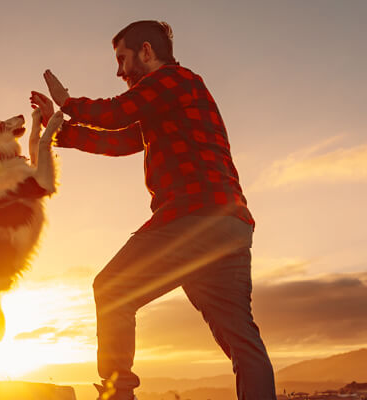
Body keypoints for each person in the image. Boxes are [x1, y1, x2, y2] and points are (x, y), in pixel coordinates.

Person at [30, 20, 277, 400]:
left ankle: (118, 393)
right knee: (241, 339)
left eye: (122, 58)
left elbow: (116, 113)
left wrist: (67, 102)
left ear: (147, 51)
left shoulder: (175, 81)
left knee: (112, 290)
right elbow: (118, 140)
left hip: (193, 217)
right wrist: (57, 130)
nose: (118, 70)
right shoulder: (167, 100)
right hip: (228, 226)